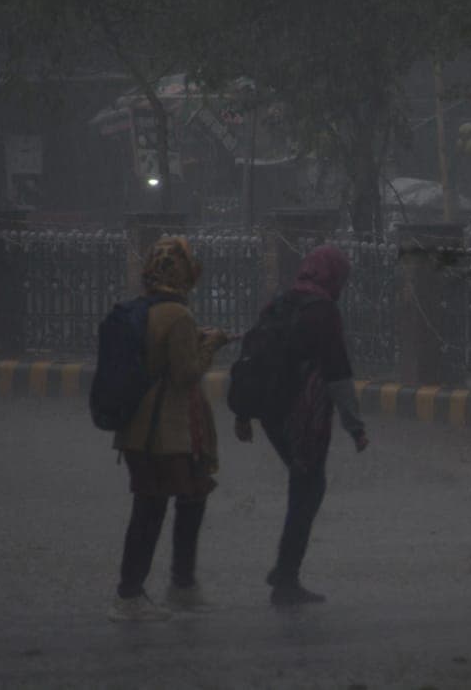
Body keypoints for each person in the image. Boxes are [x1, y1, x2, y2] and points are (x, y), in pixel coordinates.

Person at [234, 243, 370, 606]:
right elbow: (337, 372)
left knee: (303, 482)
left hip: (269, 412)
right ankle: (286, 576)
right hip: (302, 414)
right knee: (308, 488)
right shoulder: (323, 311)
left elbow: (252, 358)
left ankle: (285, 571)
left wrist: (243, 414)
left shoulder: (280, 302)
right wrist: (354, 426)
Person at [110, 236, 234, 622]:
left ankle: (172, 587)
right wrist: (211, 345)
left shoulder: (144, 309)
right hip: (168, 431)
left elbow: (158, 356)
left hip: (138, 429)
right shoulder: (178, 315)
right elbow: (186, 374)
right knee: (165, 505)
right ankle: (140, 592)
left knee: (165, 503)